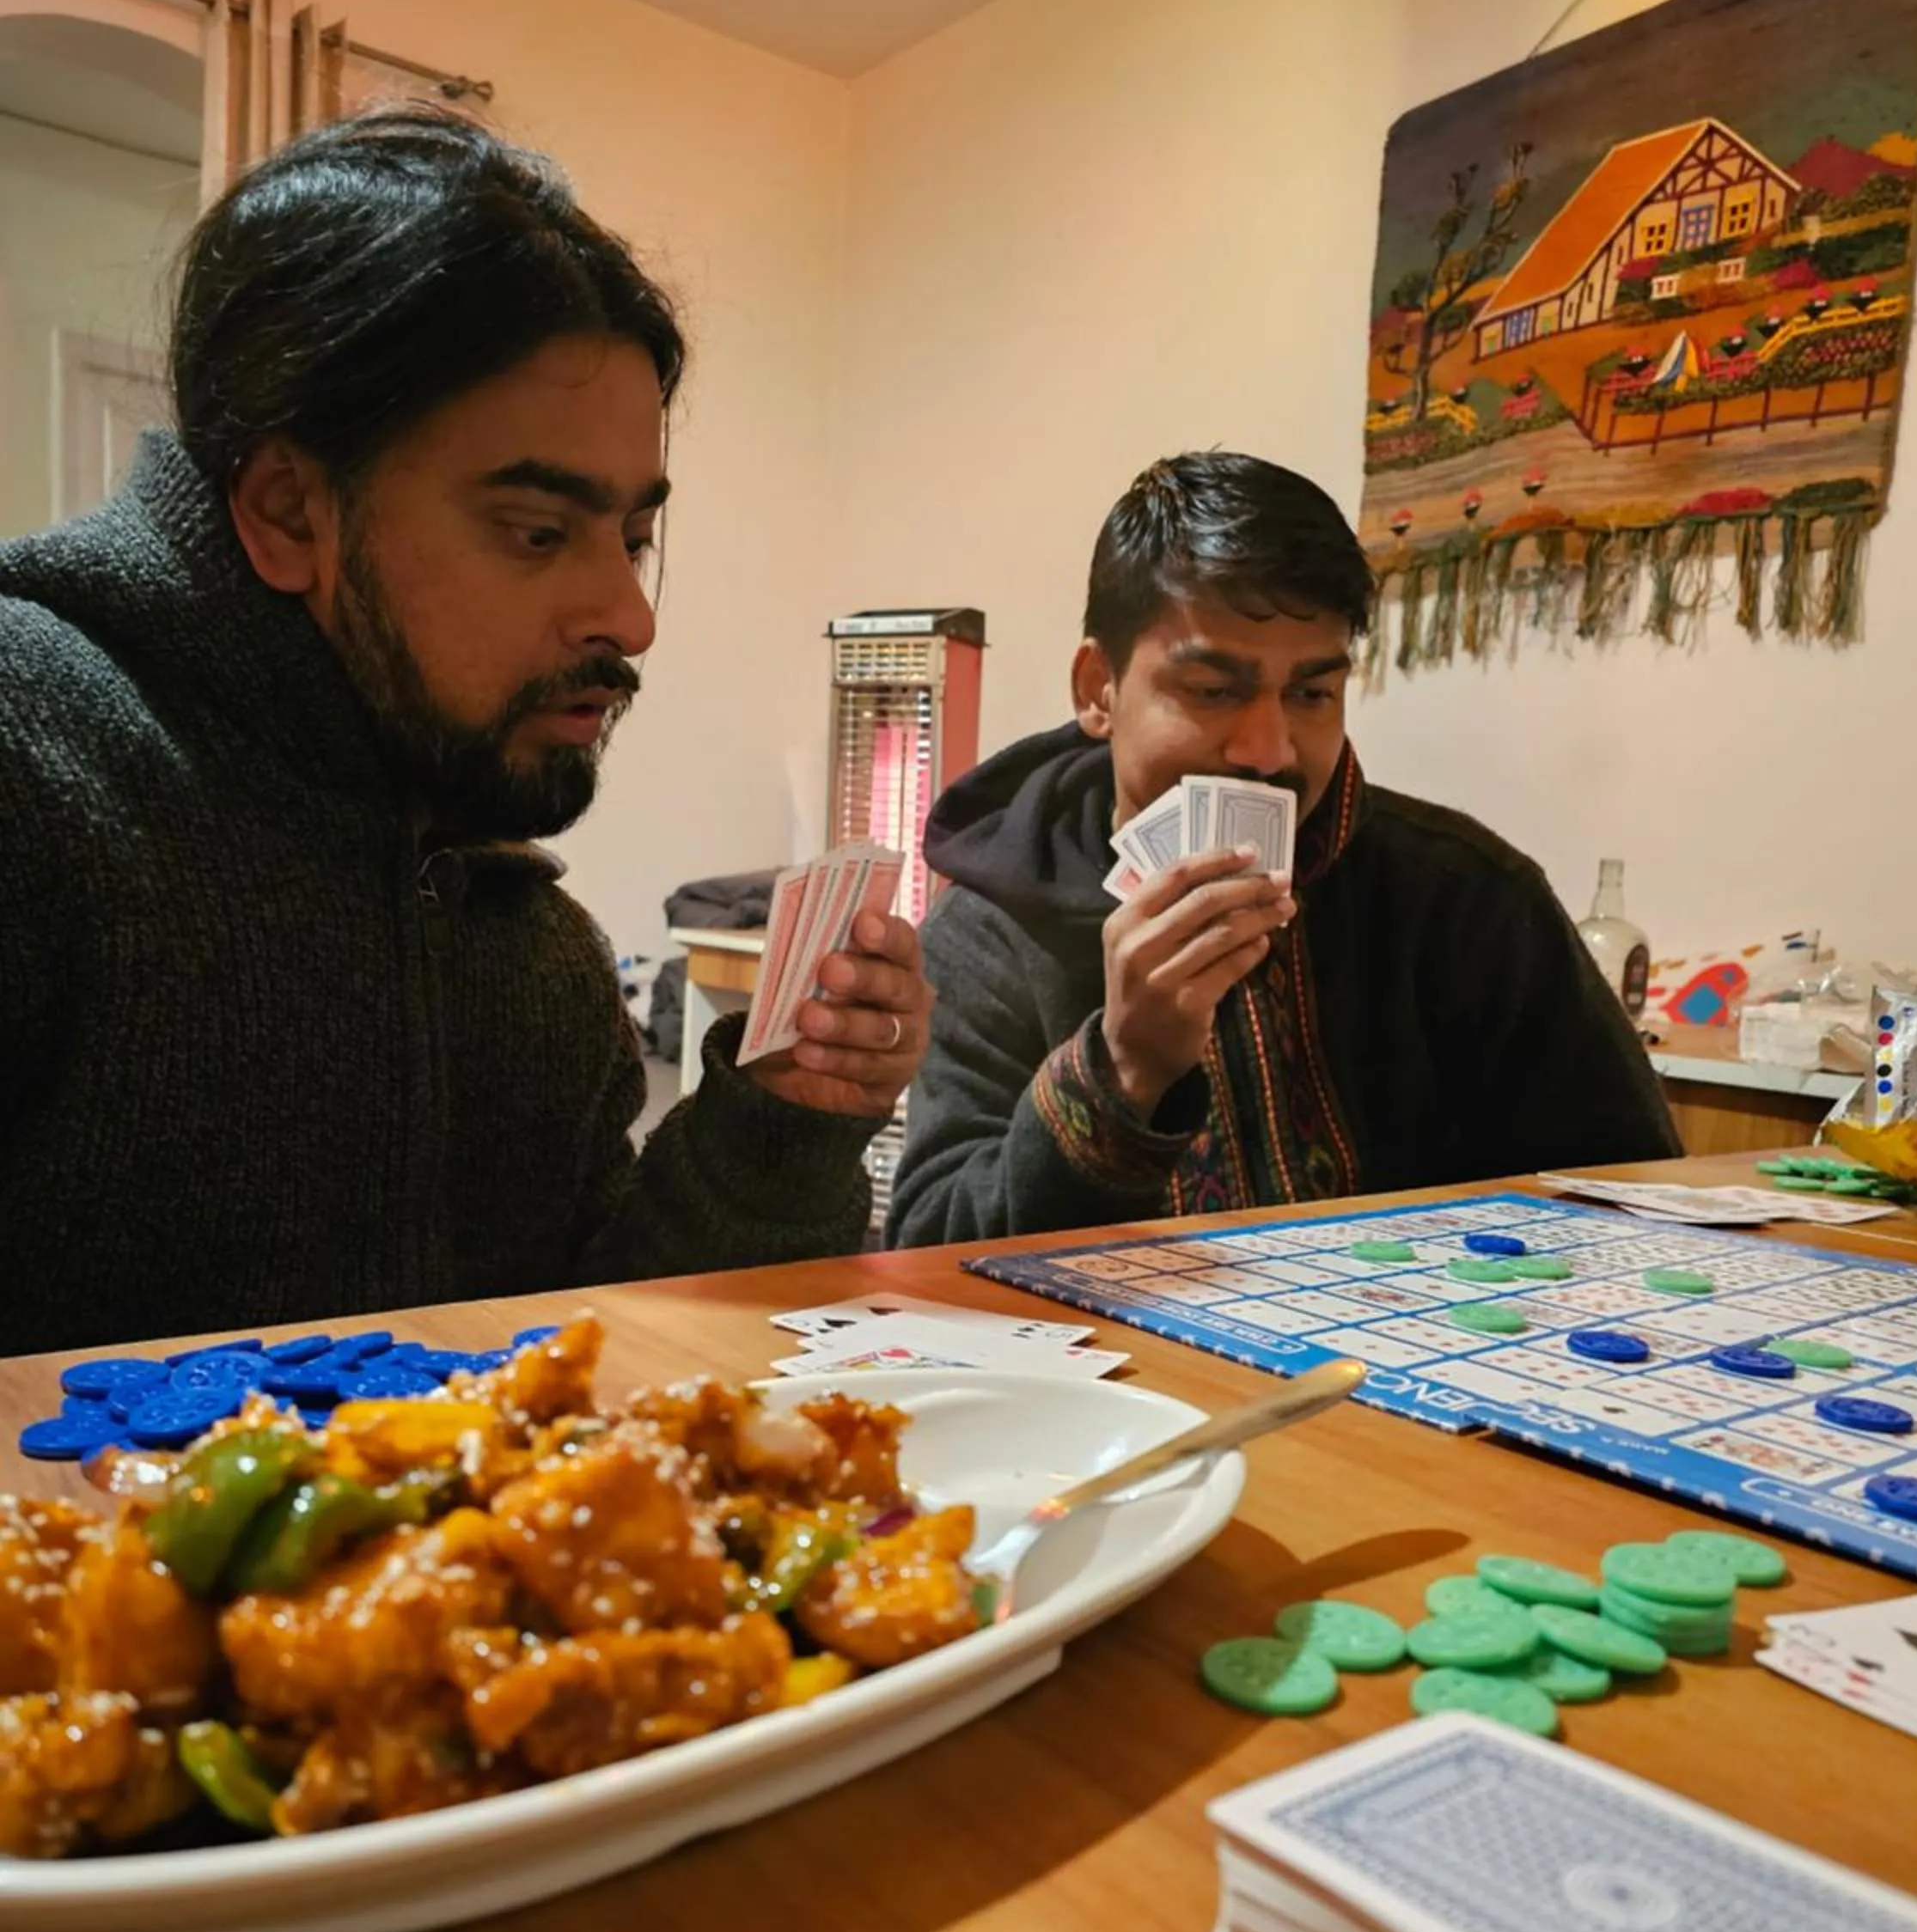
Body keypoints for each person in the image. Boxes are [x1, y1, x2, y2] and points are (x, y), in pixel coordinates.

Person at [0, 108, 931, 1356]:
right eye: (538, 533)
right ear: (289, 510)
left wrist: (779, 1117)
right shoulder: (29, 765)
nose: (630, 615)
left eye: (635, 538)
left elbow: (587, 1368)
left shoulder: (524, 946)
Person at [888, 450, 1676, 1246]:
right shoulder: (990, 925)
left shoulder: (1469, 897)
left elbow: (1628, 1194)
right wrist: (1122, 1067)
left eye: (1311, 693)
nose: (1267, 751)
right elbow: (929, 1250)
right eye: (1213, 690)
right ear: (1099, 688)